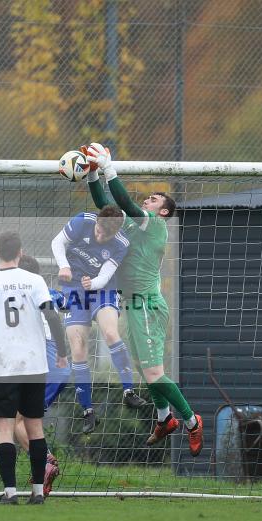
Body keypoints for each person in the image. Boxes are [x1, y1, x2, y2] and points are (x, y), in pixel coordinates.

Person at [82, 143, 203, 456]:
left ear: (162, 211)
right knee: (145, 368)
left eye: (154, 199)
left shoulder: (156, 225)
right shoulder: (132, 226)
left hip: (148, 306)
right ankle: (164, 419)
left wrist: (109, 169)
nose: (147, 200)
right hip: (133, 306)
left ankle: (191, 421)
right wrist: (93, 176)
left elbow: (123, 199)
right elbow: (108, 206)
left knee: (153, 373)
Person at [0, 232, 69, 505]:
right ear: (20, 252)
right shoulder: (34, 280)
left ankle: (10, 493)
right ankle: (37, 493)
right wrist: (62, 352)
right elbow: (51, 315)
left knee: (4, 429)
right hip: (34, 363)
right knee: (34, 426)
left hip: (4, 365)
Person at [51, 205, 146, 435]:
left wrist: (92, 284)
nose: (100, 236)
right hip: (74, 288)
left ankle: (128, 392)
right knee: (78, 348)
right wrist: (64, 266)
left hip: (102, 289)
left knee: (111, 333)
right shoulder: (83, 220)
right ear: (97, 221)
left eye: (106, 235)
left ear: (116, 233)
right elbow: (57, 242)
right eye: (99, 231)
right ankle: (88, 411)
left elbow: (105, 275)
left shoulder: (121, 244)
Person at [13, 254, 64, 496]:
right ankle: (42, 469)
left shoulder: (20, 297)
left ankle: (44, 462)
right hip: (62, 367)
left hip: (45, 363)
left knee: (16, 421)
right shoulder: (51, 293)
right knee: (31, 420)